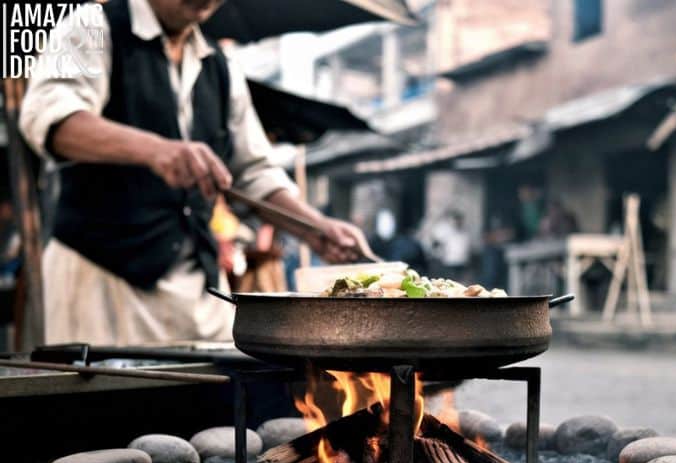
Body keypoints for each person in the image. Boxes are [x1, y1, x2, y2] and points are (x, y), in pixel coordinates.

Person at [20, 0, 370, 345]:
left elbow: (252, 170)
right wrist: (157, 150)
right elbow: (52, 121)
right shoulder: (93, 25)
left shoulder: (219, 67)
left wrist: (315, 228)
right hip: (103, 283)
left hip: (200, 292)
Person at [430, 210, 470, 281]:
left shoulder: (465, 231)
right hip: (449, 261)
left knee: (460, 281)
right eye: (457, 220)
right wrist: (437, 255)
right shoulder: (446, 230)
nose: (459, 222)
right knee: (451, 281)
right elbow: (435, 243)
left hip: (462, 261)